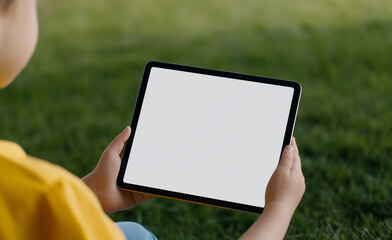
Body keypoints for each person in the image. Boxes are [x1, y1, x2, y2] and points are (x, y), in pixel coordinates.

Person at [0, 0, 306, 239]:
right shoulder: (42, 192)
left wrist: (90, 192)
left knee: (131, 234)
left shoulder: (24, 188)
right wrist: (279, 209)